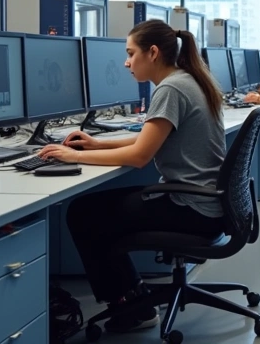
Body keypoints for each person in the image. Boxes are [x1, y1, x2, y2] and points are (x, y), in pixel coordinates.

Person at [37, 20, 226, 334]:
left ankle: (131, 307)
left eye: (130, 53)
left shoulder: (170, 88)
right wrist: (99, 144)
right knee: (95, 209)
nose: (126, 62)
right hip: (205, 201)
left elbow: (140, 157)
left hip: (192, 206)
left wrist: (76, 156)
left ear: (152, 53)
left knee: (84, 213)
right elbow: (152, 138)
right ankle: (133, 295)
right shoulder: (186, 79)